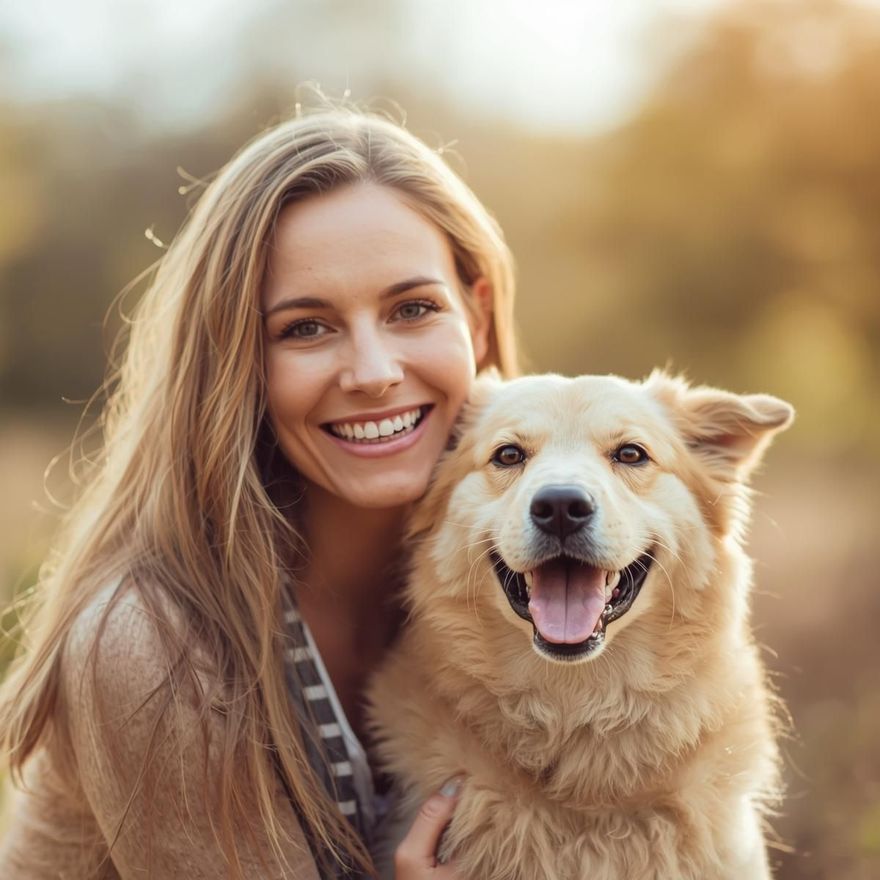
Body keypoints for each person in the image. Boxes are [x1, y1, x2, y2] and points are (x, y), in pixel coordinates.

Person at [0, 107, 518, 879]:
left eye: (413, 309)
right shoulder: (154, 643)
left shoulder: (516, 579)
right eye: (306, 329)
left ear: (475, 319)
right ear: (235, 362)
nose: (374, 371)